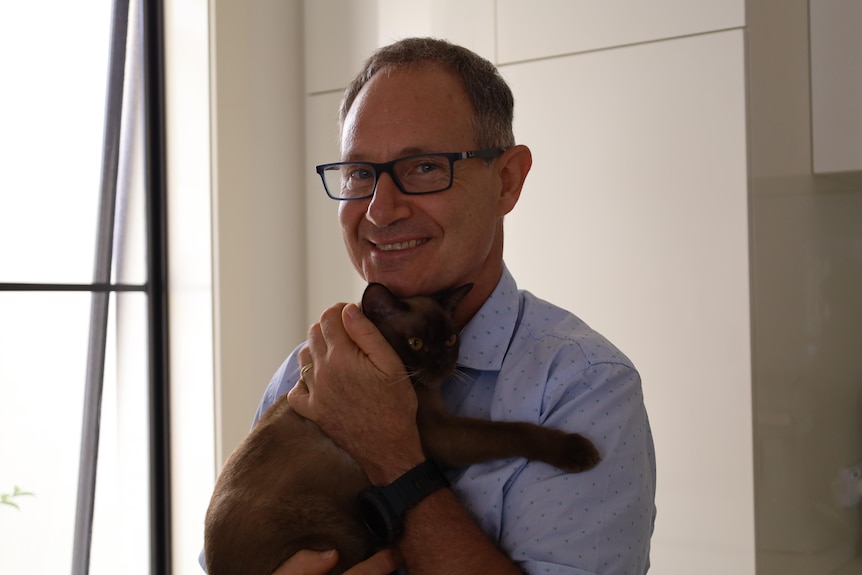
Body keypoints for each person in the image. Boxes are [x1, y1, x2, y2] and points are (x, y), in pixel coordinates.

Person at [253, 37, 655, 574]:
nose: (379, 211)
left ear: (507, 181)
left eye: (423, 167)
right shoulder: (306, 372)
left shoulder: (583, 388)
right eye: (359, 174)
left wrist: (391, 454)